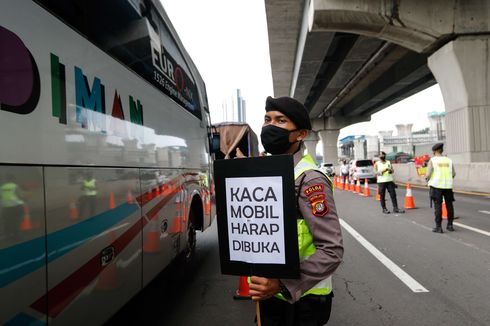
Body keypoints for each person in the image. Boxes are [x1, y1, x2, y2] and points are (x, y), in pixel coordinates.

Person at [248, 96, 344, 326]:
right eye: (267, 119)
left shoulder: (310, 180)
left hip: (304, 301)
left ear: (300, 134)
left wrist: (281, 284)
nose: (270, 126)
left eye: (281, 121)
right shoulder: (267, 173)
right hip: (270, 295)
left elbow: (332, 250)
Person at [425, 143, 456, 233]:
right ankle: (450, 225)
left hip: (436, 186)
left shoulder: (433, 160)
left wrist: (427, 180)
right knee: (449, 206)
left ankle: (438, 227)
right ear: (442, 150)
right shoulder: (449, 160)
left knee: (438, 206)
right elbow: (453, 174)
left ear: (434, 151)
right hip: (448, 186)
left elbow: (428, 175)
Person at [0, 175, 25, 240]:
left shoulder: (2, 187)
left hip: (6, 208)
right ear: (13, 179)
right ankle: (16, 236)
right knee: (16, 221)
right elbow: (21, 195)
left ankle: (7, 236)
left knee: (7, 222)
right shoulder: (15, 186)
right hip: (16, 207)